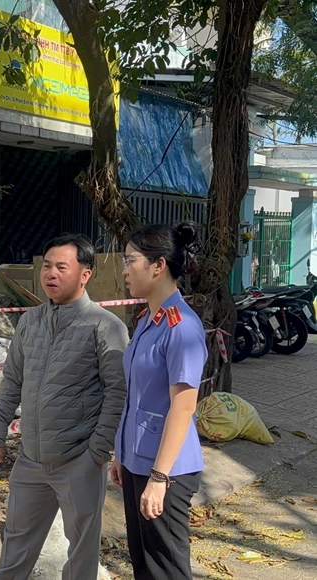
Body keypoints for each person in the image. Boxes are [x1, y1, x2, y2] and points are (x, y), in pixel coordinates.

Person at [0, 234, 129, 580]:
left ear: (85, 274)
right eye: (47, 266)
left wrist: (97, 452)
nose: (51, 273)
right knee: (15, 545)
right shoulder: (30, 321)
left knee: (81, 553)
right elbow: (12, 381)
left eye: (62, 267)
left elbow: (119, 393)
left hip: (78, 460)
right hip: (30, 460)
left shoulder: (105, 326)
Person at [110, 221, 207, 580]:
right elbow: (137, 396)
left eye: (130, 260)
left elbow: (183, 406)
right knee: (144, 564)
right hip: (139, 460)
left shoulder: (182, 327)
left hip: (167, 469)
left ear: (158, 265)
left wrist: (159, 477)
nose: (125, 270)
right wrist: (122, 454)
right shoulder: (149, 320)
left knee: (166, 569)